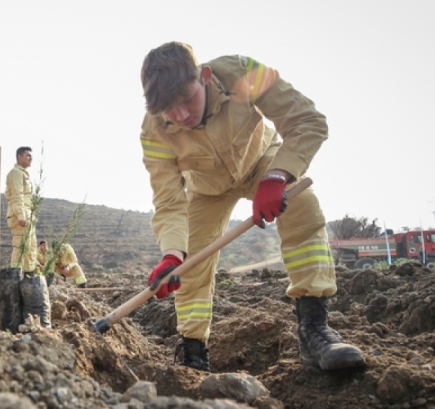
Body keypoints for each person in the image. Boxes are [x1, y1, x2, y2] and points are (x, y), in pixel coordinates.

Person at [139, 42, 365, 372]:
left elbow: (307, 120)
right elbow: (169, 200)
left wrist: (278, 175)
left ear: (203, 76)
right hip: (207, 189)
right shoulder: (154, 131)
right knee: (189, 261)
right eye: (170, 110)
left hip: (263, 161)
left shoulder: (242, 72)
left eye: (187, 100)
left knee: (302, 205)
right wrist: (172, 254)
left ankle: (314, 330)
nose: (182, 115)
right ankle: (193, 352)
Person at [6, 146, 37, 274]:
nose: (31, 158)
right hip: (21, 216)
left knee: (30, 248)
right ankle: (15, 277)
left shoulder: (24, 174)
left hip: (28, 215)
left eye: (31, 155)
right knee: (21, 246)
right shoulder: (16, 173)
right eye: (28, 155)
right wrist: (20, 215)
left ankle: (28, 276)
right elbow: (17, 195)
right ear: (19, 157)